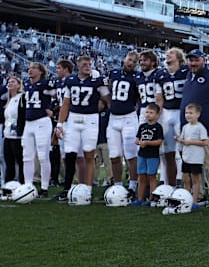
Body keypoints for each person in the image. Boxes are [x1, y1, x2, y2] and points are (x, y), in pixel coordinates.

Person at [56, 55, 112, 201]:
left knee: (88, 154)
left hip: (91, 119)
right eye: (85, 64)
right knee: (70, 155)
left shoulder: (97, 81)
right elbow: (66, 104)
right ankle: (67, 188)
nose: (88, 66)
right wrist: (60, 123)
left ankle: (88, 188)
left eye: (89, 64)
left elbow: (108, 100)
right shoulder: (70, 80)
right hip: (74, 118)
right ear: (78, 65)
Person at [180, 48, 209, 208]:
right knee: (195, 164)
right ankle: (200, 193)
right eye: (191, 60)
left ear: (203, 60)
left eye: (196, 60)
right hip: (190, 129)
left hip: (206, 128)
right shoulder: (188, 76)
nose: (193, 63)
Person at [107, 50, 140, 197]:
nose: (131, 63)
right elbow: (108, 91)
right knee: (114, 155)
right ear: (124, 59)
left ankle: (133, 185)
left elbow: (140, 99)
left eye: (134, 61)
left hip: (129, 118)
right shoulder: (113, 73)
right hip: (113, 117)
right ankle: (117, 185)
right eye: (129, 60)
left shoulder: (136, 77)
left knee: (131, 154)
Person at [155, 47, 189, 187]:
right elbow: (159, 98)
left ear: (179, 57)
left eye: (171, 53)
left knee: (185, 151)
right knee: (167, 152)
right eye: (167, 53)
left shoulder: (186, 71)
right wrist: (157, 117)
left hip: (182, 113)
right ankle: (171, 185)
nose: (168, 54)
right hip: (167, 114)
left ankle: (189, 185)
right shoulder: (160, 74)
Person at [21, 62, 56, 197]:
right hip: (29, 122)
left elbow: (59, 94)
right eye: (29, 68)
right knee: (27, 157)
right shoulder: (27, 84)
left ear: (41, 71)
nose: (30, 70)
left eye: (34, 68)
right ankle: (28, 185)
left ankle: (44, 188)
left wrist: (52, 109)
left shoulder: (46, 83)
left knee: (43, 155)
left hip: (42, 121)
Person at [175, 103, 209, 209]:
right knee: (186, 179)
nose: (188, 115)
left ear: (197, 114)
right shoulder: (185, 127)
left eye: (191, 113)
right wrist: (179, 139)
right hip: (186, 157)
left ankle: (195, 201)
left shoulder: (200, 127)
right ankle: (186, 199)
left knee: (195, 180)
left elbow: (205, 142)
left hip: (196, 159)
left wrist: (191, 142)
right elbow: (183, 140)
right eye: (186, 113)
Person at [52, 59, 74, 201]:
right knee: (65, 156)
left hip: (72, 120)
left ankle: (75, 184)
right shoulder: (59, 83)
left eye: (59, 68)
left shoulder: (72, 81)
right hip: (62, 121)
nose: (57, 70)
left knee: (74, 156)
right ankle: (68, 183)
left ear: (66, 69)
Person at [132, 103, 163, 206]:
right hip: (142, 154)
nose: (148, 114)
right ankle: (140, 198)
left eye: (151, 112)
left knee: (152, 176)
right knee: (141, 177)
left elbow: (159, 141)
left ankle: (151, 198)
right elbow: (137, 138)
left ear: (157, 115)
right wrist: (138, 141)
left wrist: (147, 143)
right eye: (147, 112)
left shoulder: (158, 127)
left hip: (152, 155)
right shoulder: (142, 126)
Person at [3, 76, 25, 184]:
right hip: (7, 134)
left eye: (13, 81)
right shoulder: (9, 100)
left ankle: (23, 183)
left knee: (20, 161)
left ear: (18, 85)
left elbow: (23, 115)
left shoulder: (22, 97)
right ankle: (8, 185)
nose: (9, 83)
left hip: (17, 135)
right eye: (8, 81)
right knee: (9, 162)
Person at [135, 50, 159, 124]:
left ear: (153, 62)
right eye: (140, 60)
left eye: (145, 60)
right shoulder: (137, 76)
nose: (142, 63)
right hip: (143, 110)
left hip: (157, 109)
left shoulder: (159, 74)